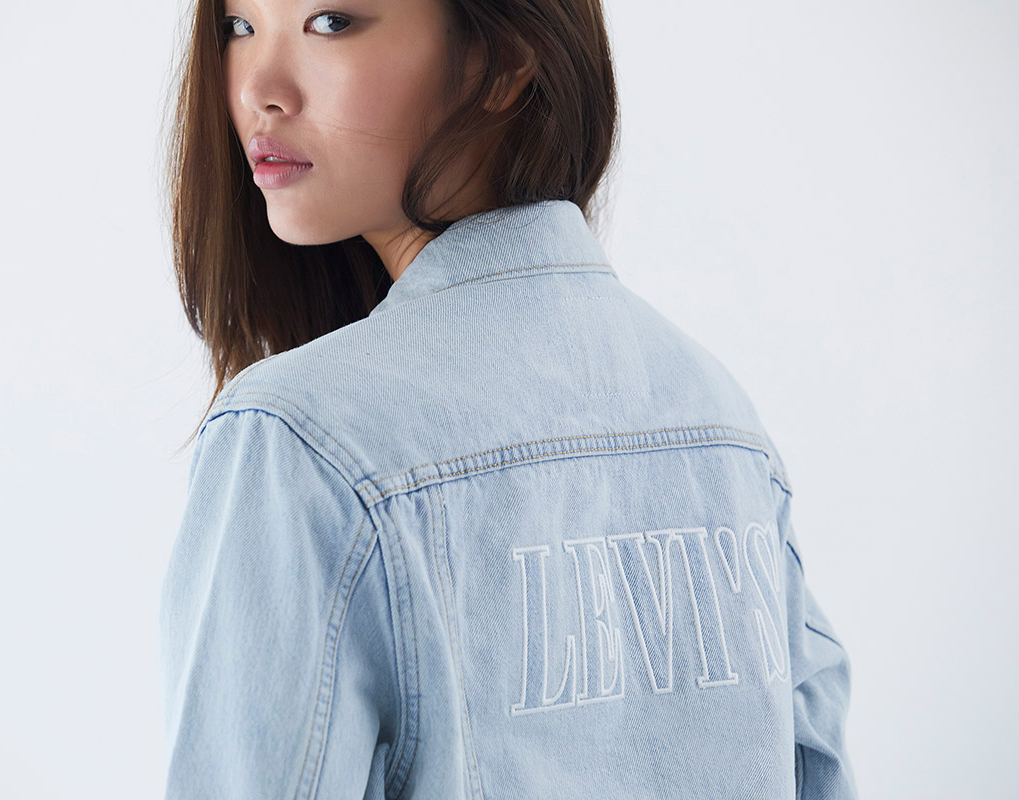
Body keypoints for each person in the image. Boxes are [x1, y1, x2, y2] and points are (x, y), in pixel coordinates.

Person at [157, 0, 859, 797]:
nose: (260, 89)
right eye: (238, 28)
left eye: (331, 22)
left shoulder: (299, 436)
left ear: (501, 61)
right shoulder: (719, 416)